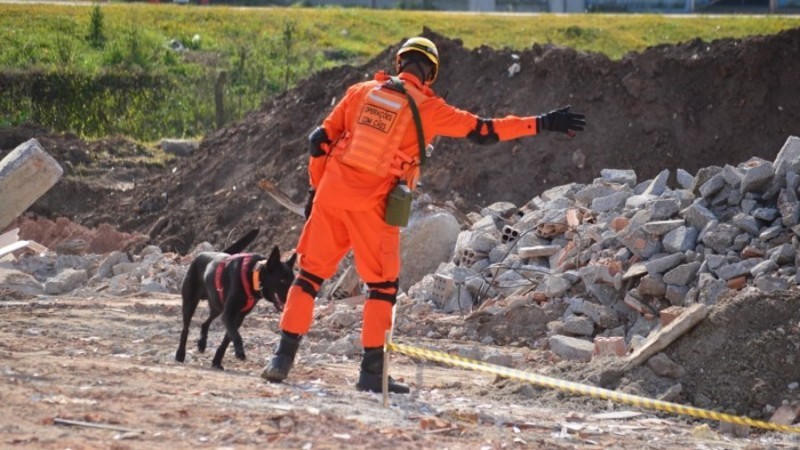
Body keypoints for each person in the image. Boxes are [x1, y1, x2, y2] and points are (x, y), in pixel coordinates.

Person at [261, 36, 586, 394]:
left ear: (399, 63)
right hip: (376, 206)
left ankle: (281, 358)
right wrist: (542, 122)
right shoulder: (430, 108)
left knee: (308, 278)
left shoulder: (361, 92)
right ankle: (371, 374)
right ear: (430, 74)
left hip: (332, 196)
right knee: (382, 287)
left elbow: (319, 140)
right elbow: (484, 131)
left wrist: (315, 190)